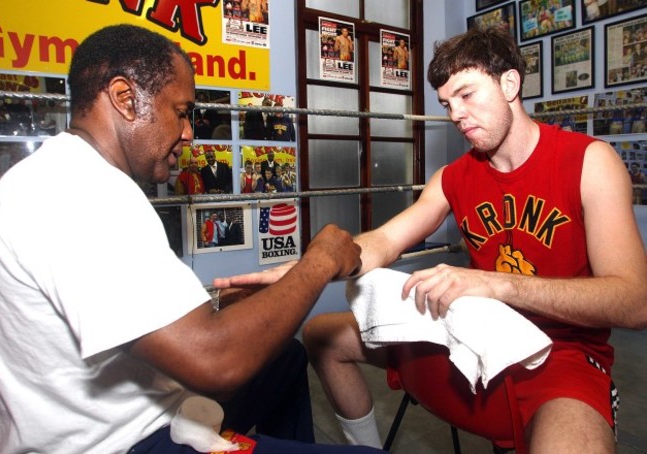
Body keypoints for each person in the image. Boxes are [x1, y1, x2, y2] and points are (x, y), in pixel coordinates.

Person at [218, 28, 647, 452]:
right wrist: (302, 273)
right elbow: (384, 240)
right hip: (475, 338)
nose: (456, 114)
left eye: (467, 95)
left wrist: (497, 284)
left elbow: (634, 302)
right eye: (446, 103)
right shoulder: (452, 178)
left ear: (510, 84)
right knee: (321, 336)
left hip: (562, 355)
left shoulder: (590, 162)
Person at [0, 24, 385, 454]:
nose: (188, 133)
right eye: (181, 112)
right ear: (125, 99)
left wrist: (216, 311)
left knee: (285, 360)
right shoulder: (80, 192)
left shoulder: (60, 176)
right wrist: (321, 260)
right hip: (125, 442)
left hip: (122, 413)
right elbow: (216, 362)